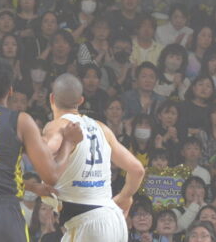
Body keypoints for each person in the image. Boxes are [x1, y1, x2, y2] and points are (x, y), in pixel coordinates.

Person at [0, 57, 84, 242]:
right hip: (4, 212)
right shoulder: (20, 121)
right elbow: (51, 175)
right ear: (10, 90)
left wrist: (32, 187)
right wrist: (68, 142)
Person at [43, 72, 146, 242]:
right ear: (81, 101)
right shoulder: (101, 128)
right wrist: (124, 196)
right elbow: (137, 170)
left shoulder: (57, 126)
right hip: (114, 219)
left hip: (87, 223)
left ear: (52, 98)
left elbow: (44, 154)